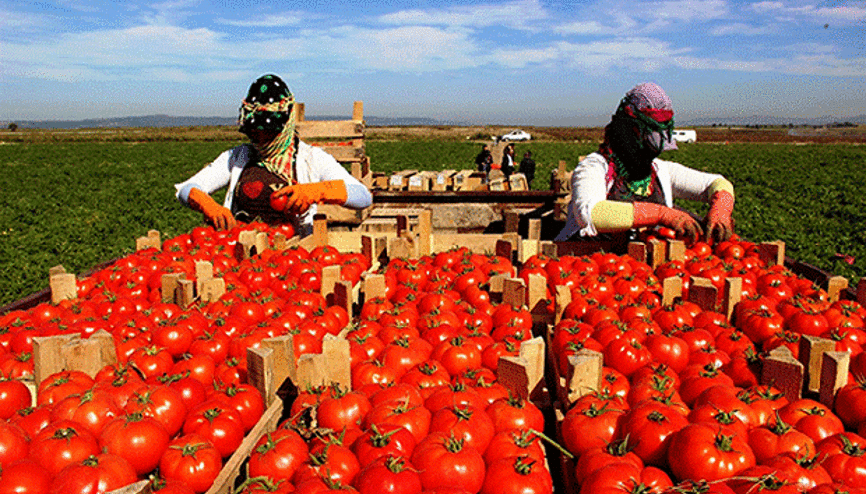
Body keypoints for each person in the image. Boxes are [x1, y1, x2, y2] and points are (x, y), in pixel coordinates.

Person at [175, 74, 372, 237]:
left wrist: (317, 191)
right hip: (243, 251)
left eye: (268, 132)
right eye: (255, 132)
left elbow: (363, 196)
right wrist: (206, 203)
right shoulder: (238, 157)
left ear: (285, 124)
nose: (261, 140)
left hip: (292, 252)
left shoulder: (311, 159)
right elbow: (187, 189)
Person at [555, 82, 734, 244]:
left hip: (640, 271)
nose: (647, 156)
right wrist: (661, 214)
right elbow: (591, 214)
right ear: (627, 136)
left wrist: (721, 209)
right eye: (644, 147)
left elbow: (717, 182)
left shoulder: (661, 171)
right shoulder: (594, 167)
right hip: (590, 262)